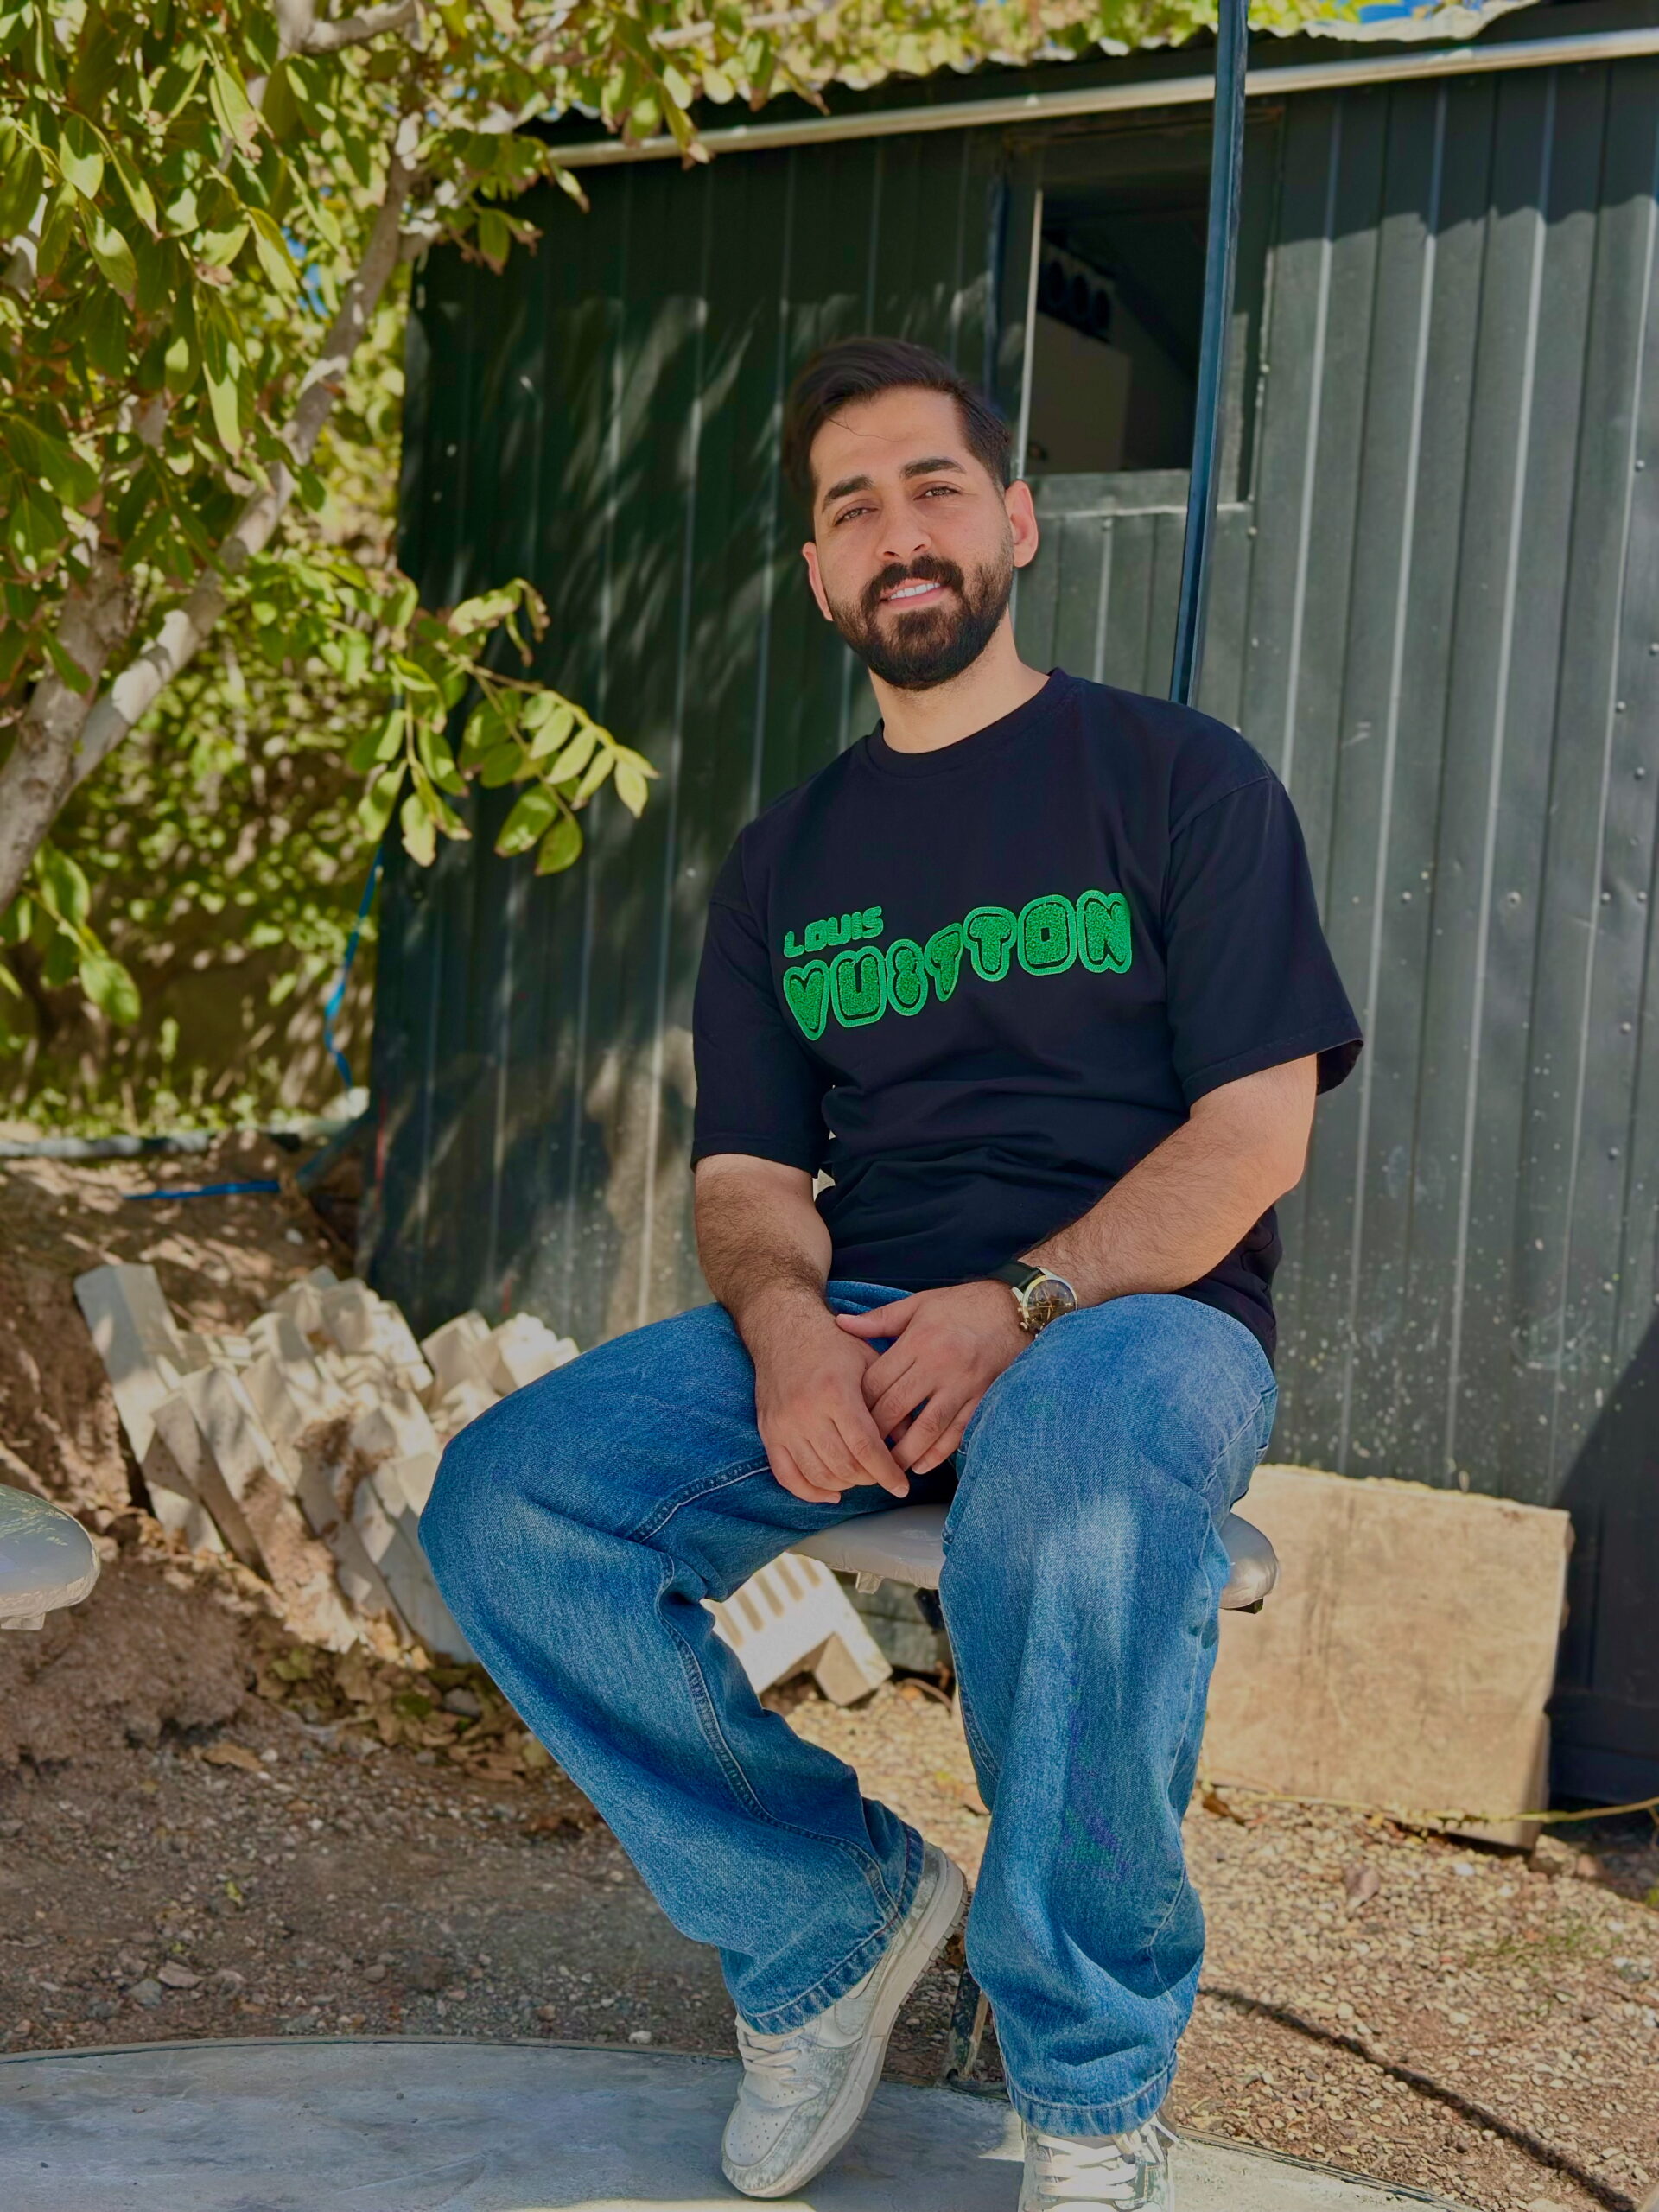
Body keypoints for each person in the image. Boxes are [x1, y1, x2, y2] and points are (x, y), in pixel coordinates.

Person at [423, 335, 1362, 2211]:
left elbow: (1255, 1135)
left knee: (1078, 1490)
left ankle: (1087, 2085)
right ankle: (823, 1923)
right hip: (861, 1314)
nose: (898, 530)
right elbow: (750, 1175)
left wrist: (1020, 1306)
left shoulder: (1179, 779)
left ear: (1015, 521)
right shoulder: (788, 860)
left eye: (935, 487)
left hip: (1137, 1319)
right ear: (818, 573)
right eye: (851, 506)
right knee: (507, 1503)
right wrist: (787, 1329)